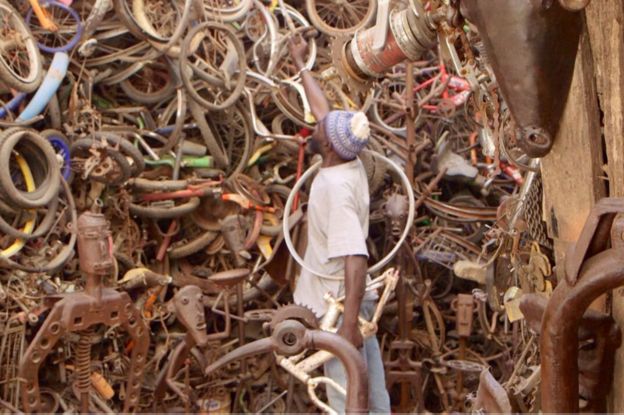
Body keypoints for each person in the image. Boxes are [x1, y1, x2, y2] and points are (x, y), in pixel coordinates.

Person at [288, 35, 391, 414]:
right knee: (368, 386)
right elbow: (322, 112)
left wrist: (347, 328)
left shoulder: (337, 188)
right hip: (342, 302)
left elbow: (355, 259)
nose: (314, 128)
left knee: (346, 393)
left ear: (328, 146)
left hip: (339, 305)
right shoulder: (346, 161)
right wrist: (301, 65)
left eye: (320, 130)